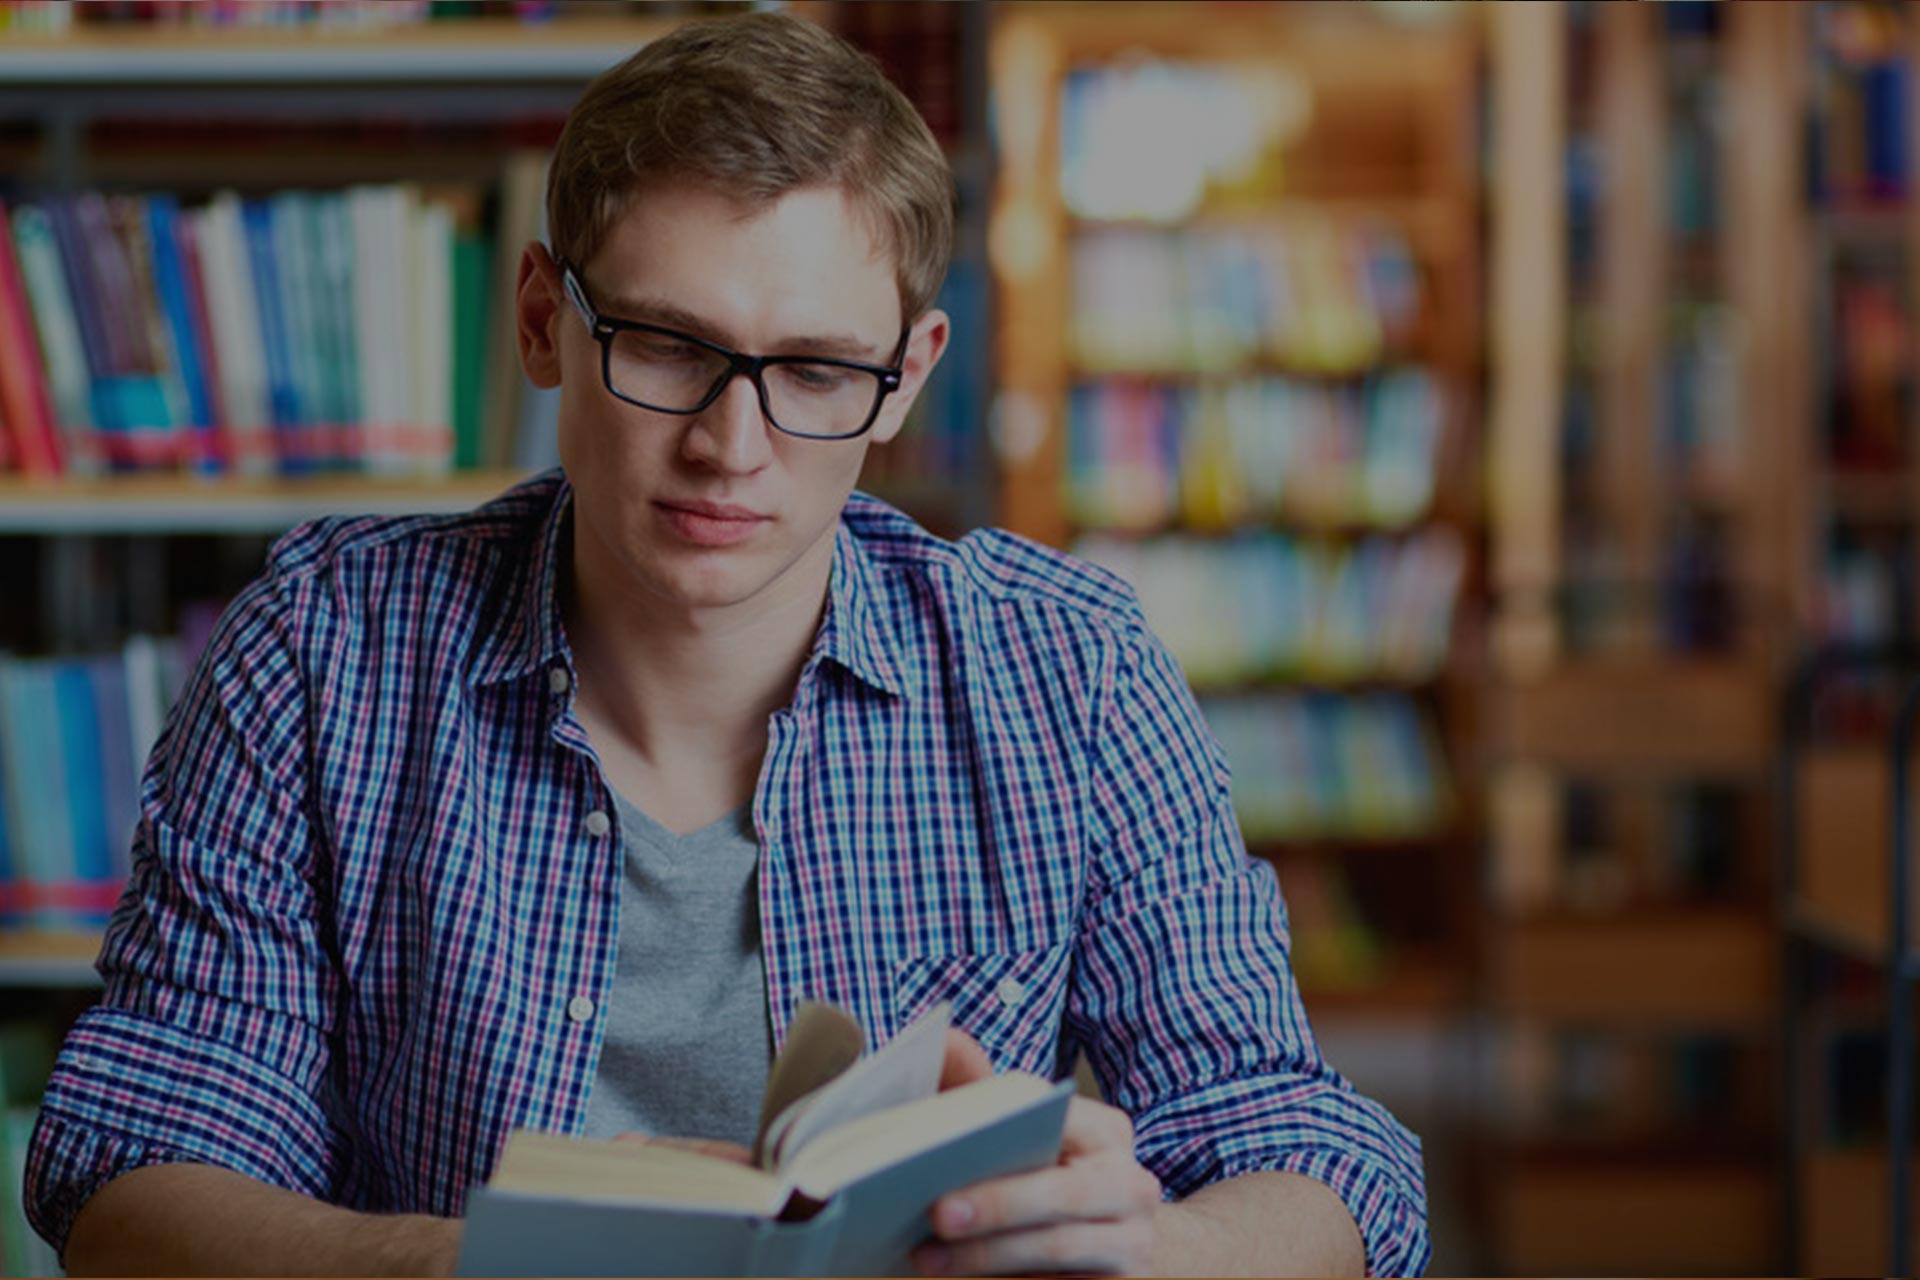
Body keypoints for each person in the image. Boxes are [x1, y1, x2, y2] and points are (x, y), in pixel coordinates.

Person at [28, 12, 1428, 1277]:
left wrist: (1156, 1256)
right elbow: (129, 1177)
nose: (730, 447)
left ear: (907, 379)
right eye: (665, 346)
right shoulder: (325, 655)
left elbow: (1324, 1158)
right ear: (539, 323)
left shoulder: (1070, 674)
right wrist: (496, 1269)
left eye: (817, 372)